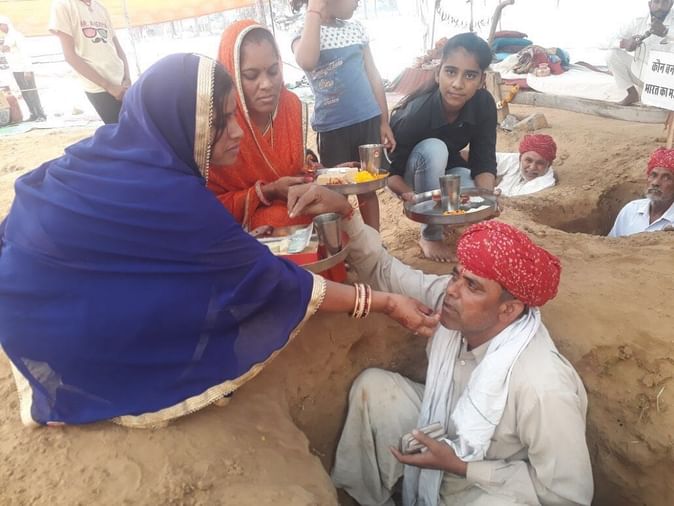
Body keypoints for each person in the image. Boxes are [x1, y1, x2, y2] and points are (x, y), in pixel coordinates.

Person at [0, 54, 440, 428]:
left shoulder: (119, 148)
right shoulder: (173, 197)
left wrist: (263, 198)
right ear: (182, 124)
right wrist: (382, 302)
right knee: (191, 317)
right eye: (220, 121)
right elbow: (273, 280)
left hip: (24, 285)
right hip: (47, 318)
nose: (237, 131)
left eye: (235, 115)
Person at [287, 184, 593, 504]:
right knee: (375, 390)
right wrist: (347, 212)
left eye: (472, 286)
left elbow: (567, 497)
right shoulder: (451, 304)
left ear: (509, 309)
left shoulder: (543, 386)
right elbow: (383, 270)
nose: (451, 290)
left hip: (487, 485)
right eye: (455, 275)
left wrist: (462, 466)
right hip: (444, 428)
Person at [387, 33, 497, 262]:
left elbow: (483, 159)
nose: (457, 84)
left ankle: (446, 217)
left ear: (481, 80)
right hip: (410, 178)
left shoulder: (484, 104)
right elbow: (390, 174)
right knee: (434, 149)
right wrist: (412, 196)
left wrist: (487, 200)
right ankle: (430, 235)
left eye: (470, 75)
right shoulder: (415, 114)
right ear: (438, 73)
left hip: (446, 174)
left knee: (471, 189)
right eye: (451, 72)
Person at [291, 0, 396, 231]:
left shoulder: (355, 29)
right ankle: (341, 243)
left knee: (367, 186)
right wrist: (315, 9)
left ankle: (374, 241)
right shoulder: (305, 31)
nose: (358, 2)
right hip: (333, 128)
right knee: (335, 187)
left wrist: (383, 121)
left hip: (367, 120)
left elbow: (373, 75)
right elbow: (306, 61)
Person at [208, 20, 312, 231]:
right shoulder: (217, 124)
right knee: (277, 218)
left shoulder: (290, 107)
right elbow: (208, 208)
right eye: (251, 76)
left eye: (273, 71)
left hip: (300, 215)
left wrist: (321, 173)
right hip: (243, 232)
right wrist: (266, 192)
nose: (266, 84)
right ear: (231, 74)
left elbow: (297, 171)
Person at [48, 0, 131, 124]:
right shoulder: (63, 5)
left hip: (122, 82)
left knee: (136, 126)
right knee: (120, 130)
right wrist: (109, 86)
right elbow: (70, 56)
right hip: (100, 87)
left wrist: (127, 78)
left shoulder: (100, 7)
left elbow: (119, 49)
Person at [606, 0, 674, 106]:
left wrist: (667, 33)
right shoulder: (638, 21)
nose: (660, 6)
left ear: (671, 4)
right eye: (656, 2)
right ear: (650, 3)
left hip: (669, 82)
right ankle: (632, 94)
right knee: (612, 55)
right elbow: (607, 39)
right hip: (643, 75)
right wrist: (624, 43)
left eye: (665, 2)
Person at [609, 147, 674, 236]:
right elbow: (610, 243)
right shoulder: (631, 210)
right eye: (653, 175)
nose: (655, 183)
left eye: (666, 178)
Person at [0, 17, 47, 122]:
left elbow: (25, 53)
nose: (0, 28)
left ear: (6, 24)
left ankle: (41, 115)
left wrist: (27, 69)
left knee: (32, 92)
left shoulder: (17, 35)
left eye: (1, 25)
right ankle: (33, 114)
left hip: (24, 69)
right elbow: (6, 50)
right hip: (16, 70)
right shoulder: (7, 37)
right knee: (25, 93)